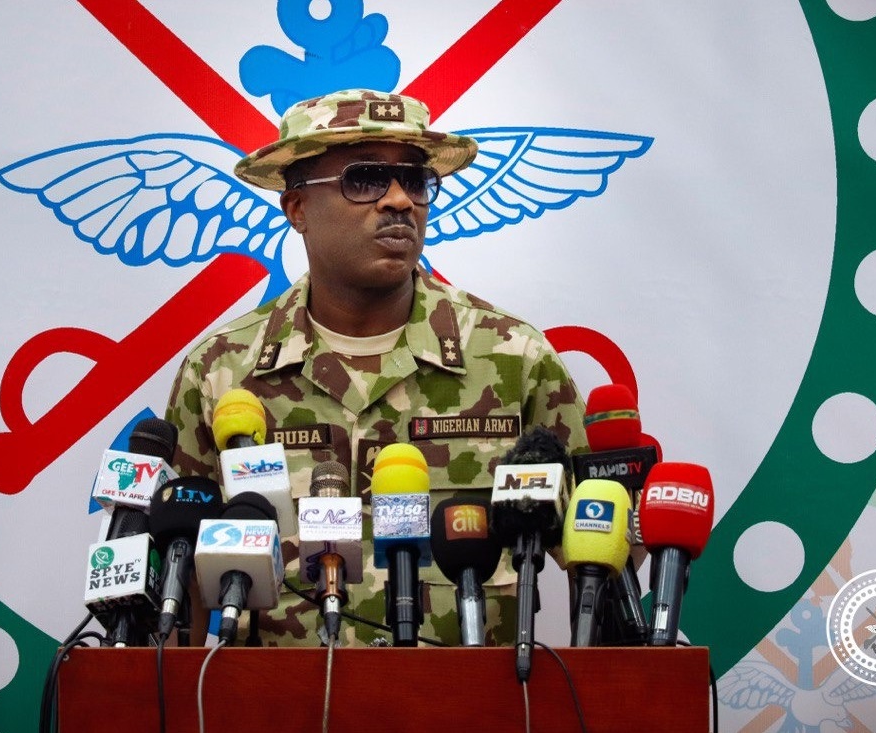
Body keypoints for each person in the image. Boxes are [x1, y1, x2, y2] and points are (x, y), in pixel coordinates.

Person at [165, 88, 587, 646]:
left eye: (414, 180)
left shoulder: (514, 360)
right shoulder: (222, 373)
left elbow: (599, 564)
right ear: (297, 209)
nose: (399, 200)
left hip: (466, 696)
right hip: (276, 696)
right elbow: (182, 588)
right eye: (364, 179)